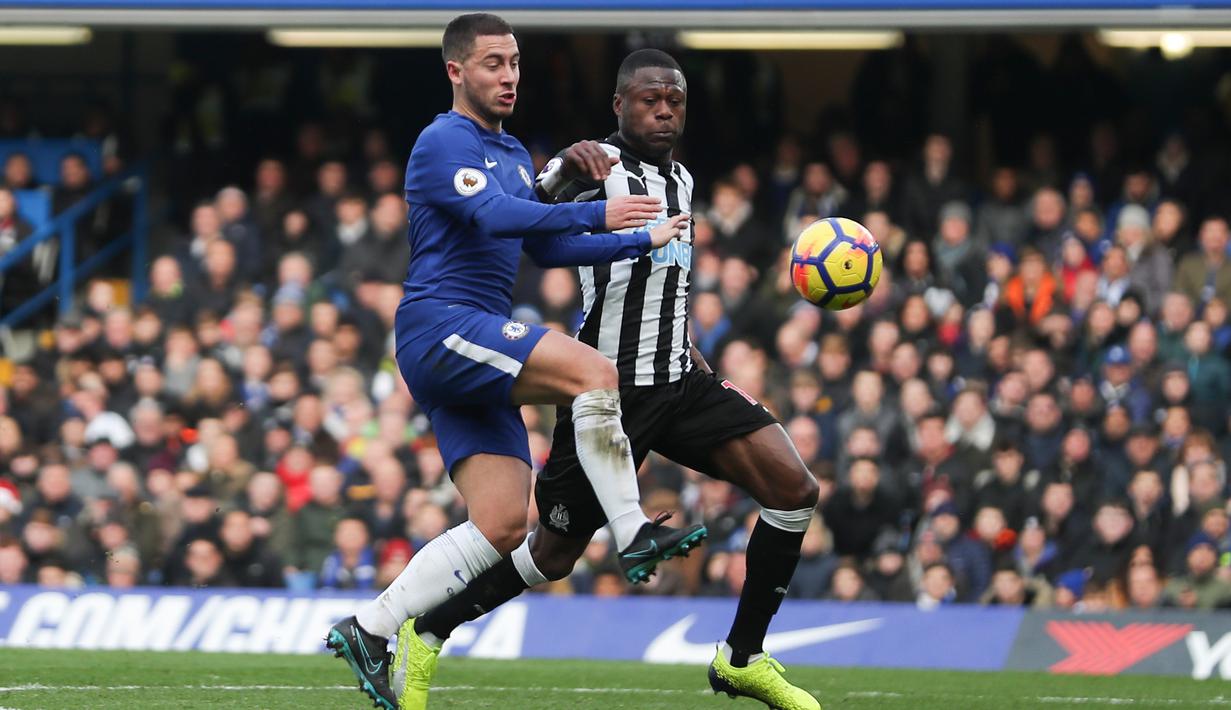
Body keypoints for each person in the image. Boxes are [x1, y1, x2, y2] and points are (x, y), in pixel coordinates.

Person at [391, 47, 821, 710]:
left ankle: (742, 658)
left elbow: (668, 286)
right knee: (552, 553)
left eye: (674, 101)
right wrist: (563, 169)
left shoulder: (682, 180)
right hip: (607, 393)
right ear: (619, 105)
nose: (663, 111)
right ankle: (428, 629)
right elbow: (524, 214)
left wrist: (694, 355)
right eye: (649, 100)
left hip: (682, 381)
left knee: (794, 489)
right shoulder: (594, 164)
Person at [326, 16, 703, 709]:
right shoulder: (444, 141)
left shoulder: (512, 153)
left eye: (515, 63)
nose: (509, 77)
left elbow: (544, 248)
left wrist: (639, 239)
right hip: (443, 325)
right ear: (456, 71)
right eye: (493, 63)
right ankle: (631, 531)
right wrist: (598, 214)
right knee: (594, 372)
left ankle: (370, 627)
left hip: (471, 343)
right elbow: (497, 218)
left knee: (501, 522)